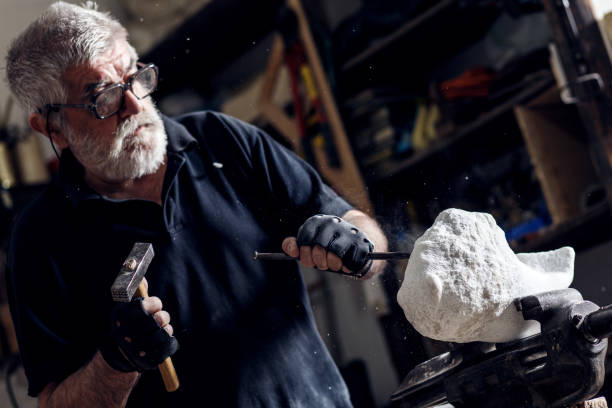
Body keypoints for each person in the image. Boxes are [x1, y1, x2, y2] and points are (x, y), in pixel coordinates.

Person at [5, 2, 388, 407]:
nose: (134, 104)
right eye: (103, 98)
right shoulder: (39, 240)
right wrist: (116, 364)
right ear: (52, 127)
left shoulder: (222, 140)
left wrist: (355, 244)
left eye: (136, 76)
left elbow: (363, 228)